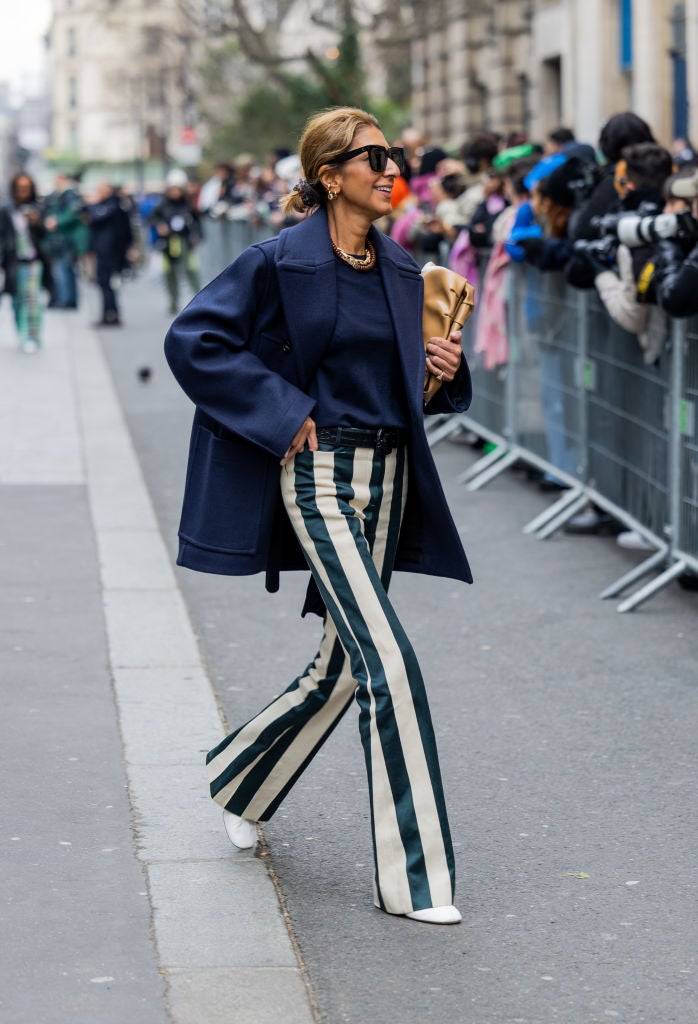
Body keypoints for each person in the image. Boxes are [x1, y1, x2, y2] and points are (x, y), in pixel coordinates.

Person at [164, 106, 473, 925]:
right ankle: (420, 881)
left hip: (389, 474)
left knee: (343, 667)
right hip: (318, 475)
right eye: (373, 157)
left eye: (393, 154)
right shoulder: (275, 263)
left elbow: (407, 389)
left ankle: (240, 779)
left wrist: (441, 369)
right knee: (387, 662)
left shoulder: (403, 271)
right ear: (329, 176)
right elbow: (193, 340)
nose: (391, 168)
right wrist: (280, 410)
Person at [0, 172, 48, 352]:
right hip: (12, 262)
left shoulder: (38, 208)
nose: (23, 191)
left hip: (33, 261)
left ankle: (33, 336)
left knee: (32, 299)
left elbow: (46, 236)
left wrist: (37, 223)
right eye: (20, 188)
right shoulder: (6, 210)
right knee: (16, 300)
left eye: (26, 188)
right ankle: (22, 333)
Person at [151, 168, 202, 315]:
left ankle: (200, 301)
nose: (174, 192)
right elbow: (153, 218)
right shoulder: (162, 205)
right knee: (170, 273)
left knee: (190, 270)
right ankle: (173, 302)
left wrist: (197, 236)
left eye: (177, 189)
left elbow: (196, 222)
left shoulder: (187, 205)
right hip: (168, 243)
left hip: (184, 242)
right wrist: (160, 225)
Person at [85, 182, 133, 326]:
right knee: (104, 283)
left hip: (111, 251)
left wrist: (92, 204)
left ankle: (112, 314)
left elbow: (97, 216)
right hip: (104, 250)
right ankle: (108, 313)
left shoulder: (114, 205)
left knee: (108, 283)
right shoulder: (111, 205)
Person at [42, 172, 87, 309]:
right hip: (58, 240)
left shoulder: (70, 195)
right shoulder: (57, 196)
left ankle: (68, 299)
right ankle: (65, 298)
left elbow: (73, 214)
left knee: (65, 270)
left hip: (67, 240)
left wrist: (57, 221)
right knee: (62, 270)